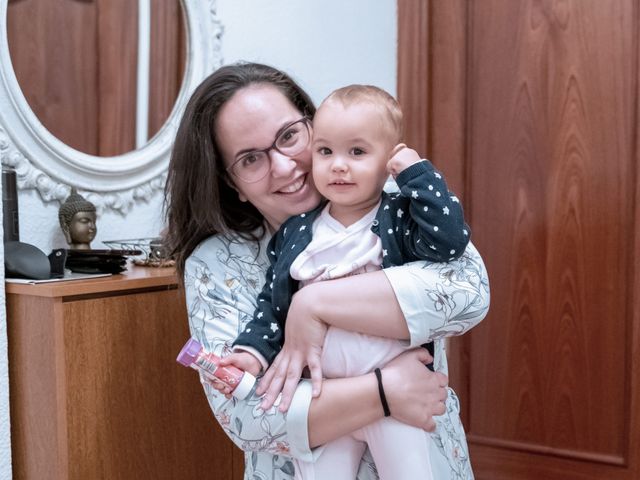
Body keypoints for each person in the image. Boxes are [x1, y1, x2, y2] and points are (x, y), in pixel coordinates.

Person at [164, 62, 490, 480]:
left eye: (288, 136)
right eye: (250, 159)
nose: (283, 166)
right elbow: (246, 417)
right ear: (233, 184)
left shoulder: (398, 209)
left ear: (311, 124)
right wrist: (384, 392)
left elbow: (469, 291)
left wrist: (314, 303)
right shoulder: (217, 263)